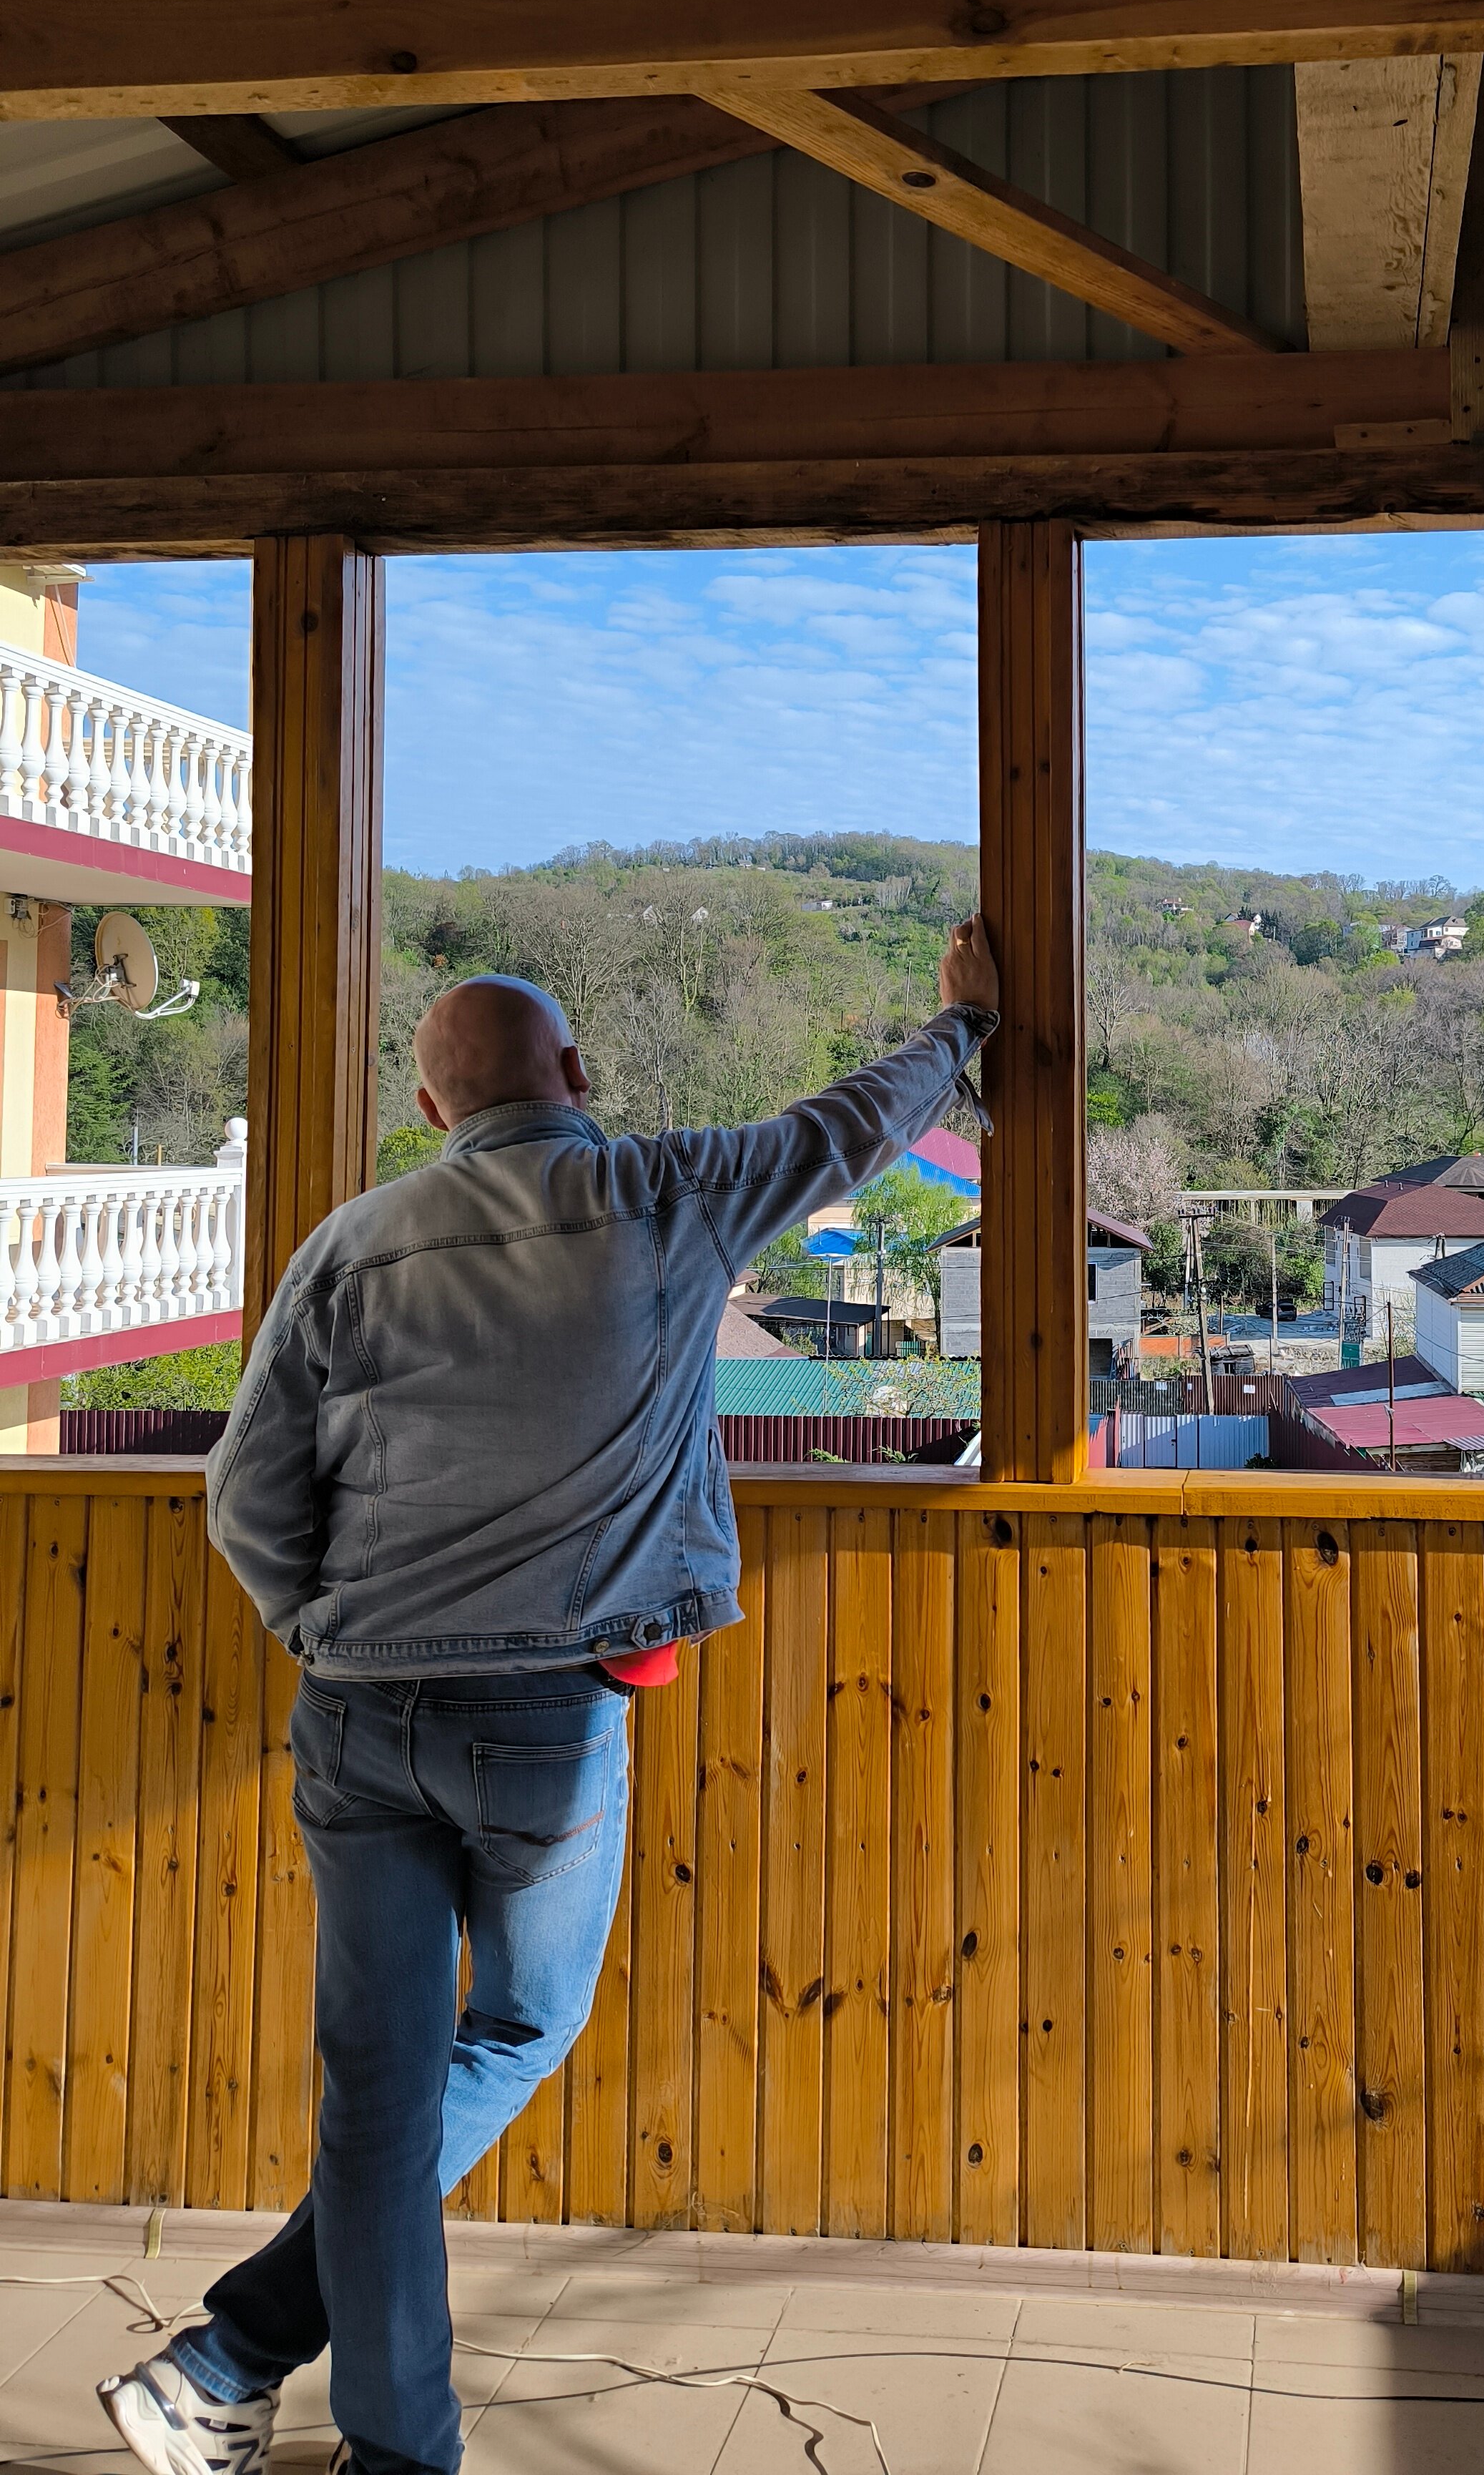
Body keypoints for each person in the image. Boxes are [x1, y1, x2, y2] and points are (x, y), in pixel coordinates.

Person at [99, 921, 999, 2475]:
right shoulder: (663, 1191)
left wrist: (317, 1626)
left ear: (434, 1109)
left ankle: (290, 2389)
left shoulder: (350, 1244)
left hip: (356, 1708)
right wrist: (963, 1025)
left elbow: (247, 1492)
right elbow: (855, 1121)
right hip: (544, 1724)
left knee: (377, 2090)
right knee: (516, 2024)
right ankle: (241, 2350)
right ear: (576, 1077)